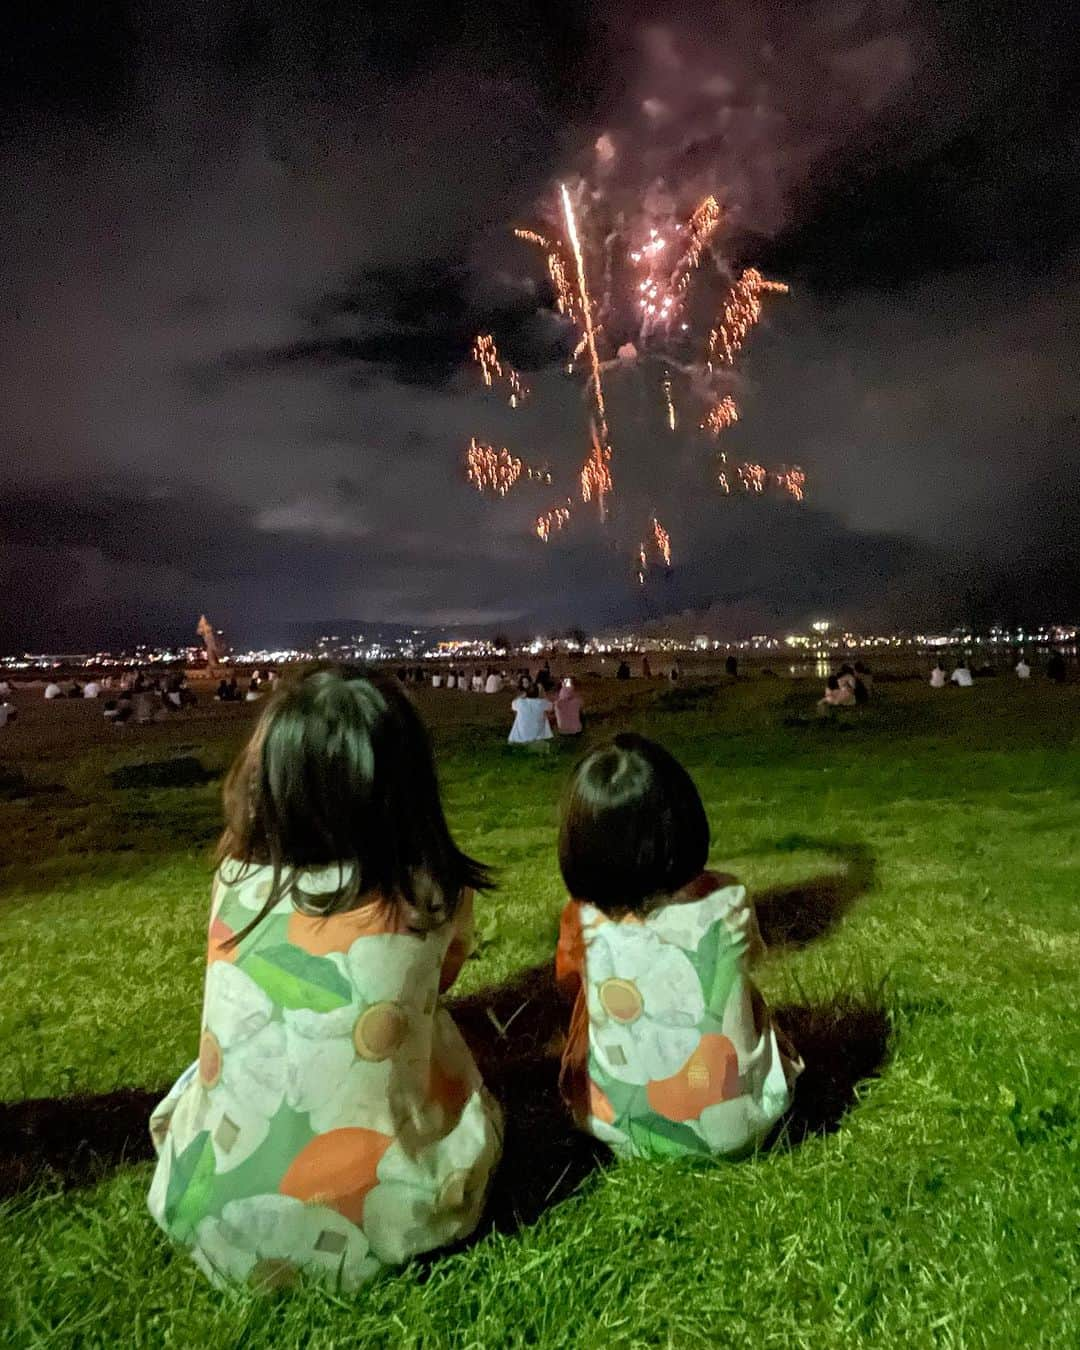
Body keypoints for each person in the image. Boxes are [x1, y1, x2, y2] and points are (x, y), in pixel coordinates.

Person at [147, 667, 502, 1292]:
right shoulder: (433, 896)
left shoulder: (232, 882)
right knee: (434, 1036)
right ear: (408, 784)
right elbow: (438, 986)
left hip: (206, 1211)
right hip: (384, 1223)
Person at [554, 734, 800, 1161]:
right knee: (739, 991)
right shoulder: (726, 896)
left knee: (583, 1003)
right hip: (747, 1123)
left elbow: (567, 986)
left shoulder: (581, 919)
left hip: (616, 1129)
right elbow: (754, 957)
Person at [508, 680, 554, 745]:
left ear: (526, 692)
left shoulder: (520, 702)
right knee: (544, 714)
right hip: (538, 736)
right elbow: (551, 707)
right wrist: (543, 694)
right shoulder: (542, 702)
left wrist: (523, 695)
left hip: (519, 738)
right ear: (538, 692)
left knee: (519, 714)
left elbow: (513, 704)